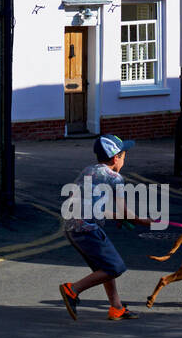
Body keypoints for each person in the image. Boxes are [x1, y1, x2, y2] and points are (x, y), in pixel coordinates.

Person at [58, 133, 151, 321]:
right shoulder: (114, 178)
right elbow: (125, 212)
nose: (125, 159)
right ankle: (72, 289)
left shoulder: (89, 170)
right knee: (115, 267)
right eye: (124, 155)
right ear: (116, 157)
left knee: (105, 267)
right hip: (87, 229)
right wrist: (145, 221)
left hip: (72, 227)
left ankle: (116, 308)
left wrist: (116, 216)